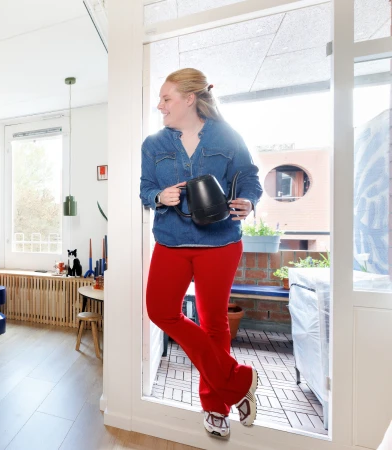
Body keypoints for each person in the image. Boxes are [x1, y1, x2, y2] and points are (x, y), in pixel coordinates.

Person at [140, 68, 263, 439]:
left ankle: (216, 407)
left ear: (190, 98)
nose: (159, 105)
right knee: (161, 311)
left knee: (214, 325)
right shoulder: (153, 145)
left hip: (220, 243)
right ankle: (237, 380)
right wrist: (159, 197)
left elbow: (250, 178)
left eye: (166, 98)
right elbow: (145, 188)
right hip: (171, 242)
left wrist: (248, 202)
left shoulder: (227, 136)